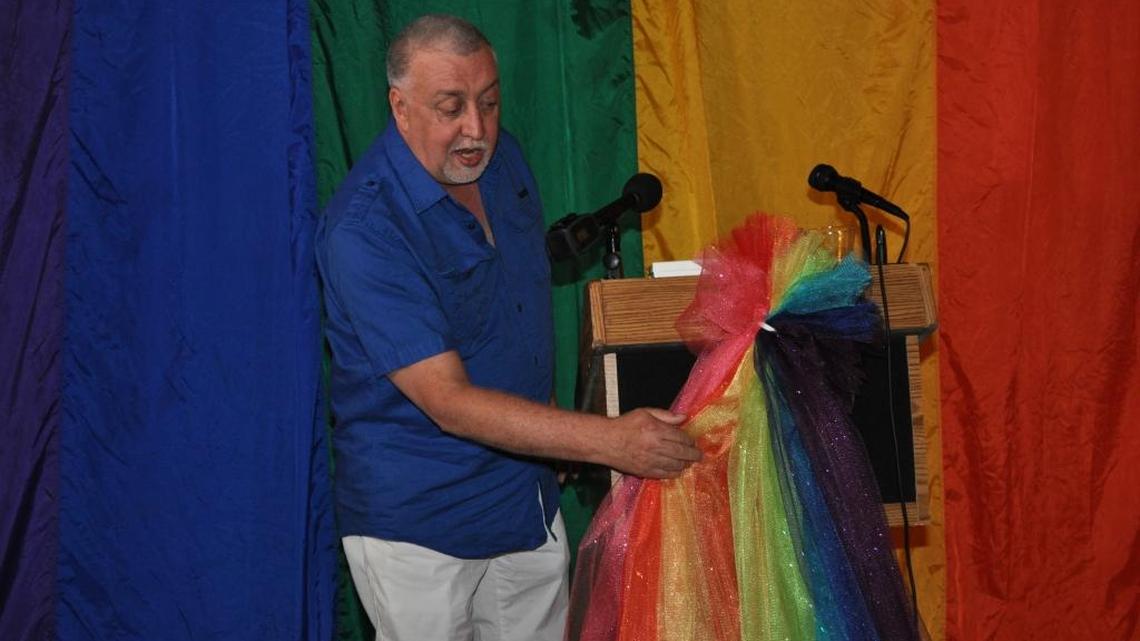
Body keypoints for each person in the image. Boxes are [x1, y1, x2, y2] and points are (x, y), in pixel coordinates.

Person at [315, 14, 701, 641]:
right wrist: (606, 441)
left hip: (525, 500)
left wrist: (550, 425)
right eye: (451, 108)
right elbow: (450, 403)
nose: (477, 129)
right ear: (400, 106)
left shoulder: (504, 160)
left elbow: (514, 307)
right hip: (421, 528)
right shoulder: (365, 229)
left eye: (489, 102)